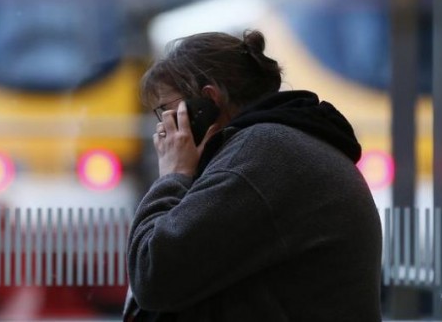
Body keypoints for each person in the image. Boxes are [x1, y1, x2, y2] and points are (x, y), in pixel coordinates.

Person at [124, 30, 382, 321]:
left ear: (206, 103)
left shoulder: (262, 154)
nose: (162, 130)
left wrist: (173, 175)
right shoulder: (277, 144)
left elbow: (153, 276)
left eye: (167, 111)